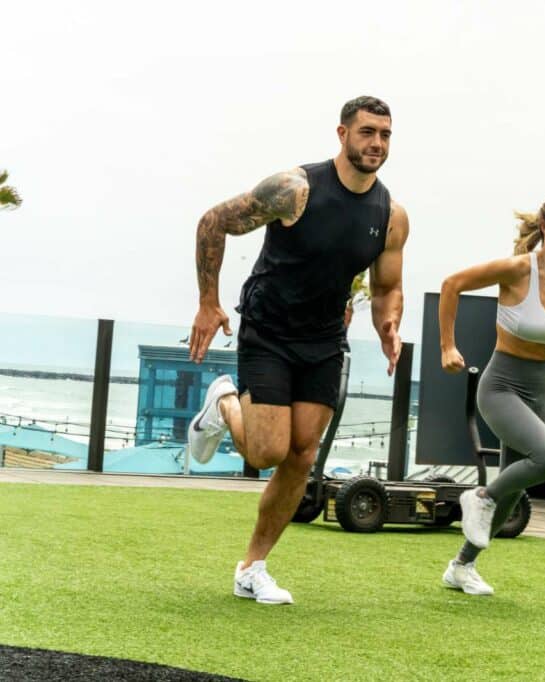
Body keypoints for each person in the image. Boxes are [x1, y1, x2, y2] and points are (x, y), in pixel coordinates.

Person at [185, 96, 408, 605]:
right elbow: (213, 222)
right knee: (266, 451)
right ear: (342, 134)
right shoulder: (294, 189)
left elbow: (387, 285)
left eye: (385, 135)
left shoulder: (391, 215)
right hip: (268, 329)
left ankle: (253, 567)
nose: (377, 143)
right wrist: (208, 302)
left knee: (302, 453)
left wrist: (388, 324)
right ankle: (224, 402)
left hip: (324, 339)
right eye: (367, 132)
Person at [437, 193, 545, 596]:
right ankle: (480, 496)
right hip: (501, 386)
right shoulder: (518, 269)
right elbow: (452, 285)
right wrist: (448, 346)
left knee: (514, 490)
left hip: (539, 390)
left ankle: (461, 566)